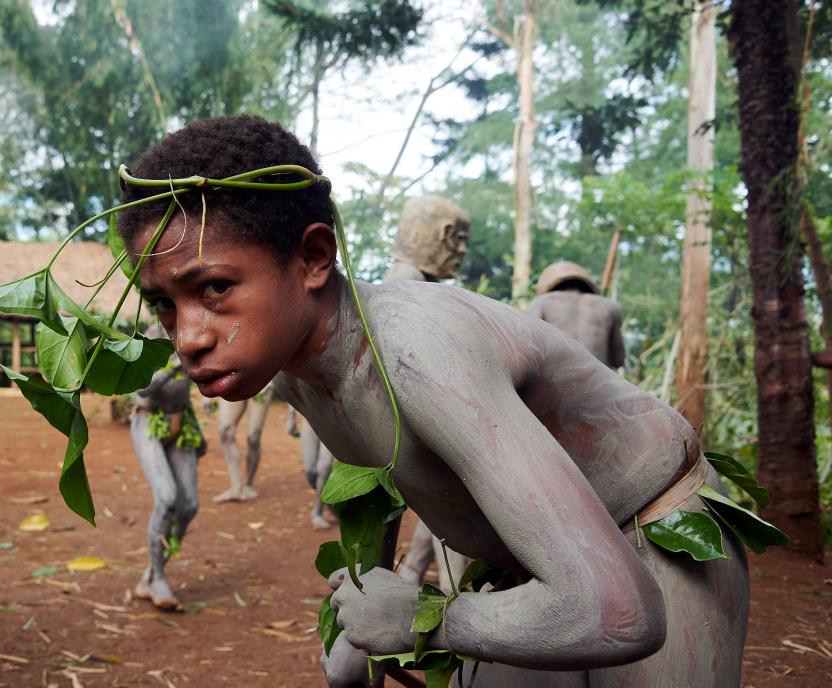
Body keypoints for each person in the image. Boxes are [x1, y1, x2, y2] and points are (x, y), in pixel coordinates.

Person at [117, 115, 748, 687]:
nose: (189, 337)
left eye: (217, 287)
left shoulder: (417, 353)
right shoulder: (286, 366)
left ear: (312, 257)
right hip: (529, 570)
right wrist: (368, 605)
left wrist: (422, 617)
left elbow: (618, 612)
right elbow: (386, 466)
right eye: (164, 305)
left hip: (651, 539)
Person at [387, 195, 475, 593]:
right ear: (437, 235)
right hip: (405, 440)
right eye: (457, 239)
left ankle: (420, 579)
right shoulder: (406, 284)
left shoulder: (421, 284)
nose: (461, 251)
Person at [130, 324, 204, 610]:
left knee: (189, 506)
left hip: (180, 422)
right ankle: (158, 577)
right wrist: (176, 364)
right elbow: (142, 387)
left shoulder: (191, 332)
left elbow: (186, 390)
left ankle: (149, 575)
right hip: (148, 421)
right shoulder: (154, 335)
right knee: (167, 498)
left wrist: (196, 428)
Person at [528, 261, 625, 370]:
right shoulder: (608, 306)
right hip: (598, 383)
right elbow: (618, 360)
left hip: (553, 382)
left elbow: (530, 353)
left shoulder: (541, 303)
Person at [213, 386, 271, 502]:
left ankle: (248, 485)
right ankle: (235, 487)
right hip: (233, 377)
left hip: (263, 383)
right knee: (225, 430)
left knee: (253, 437)